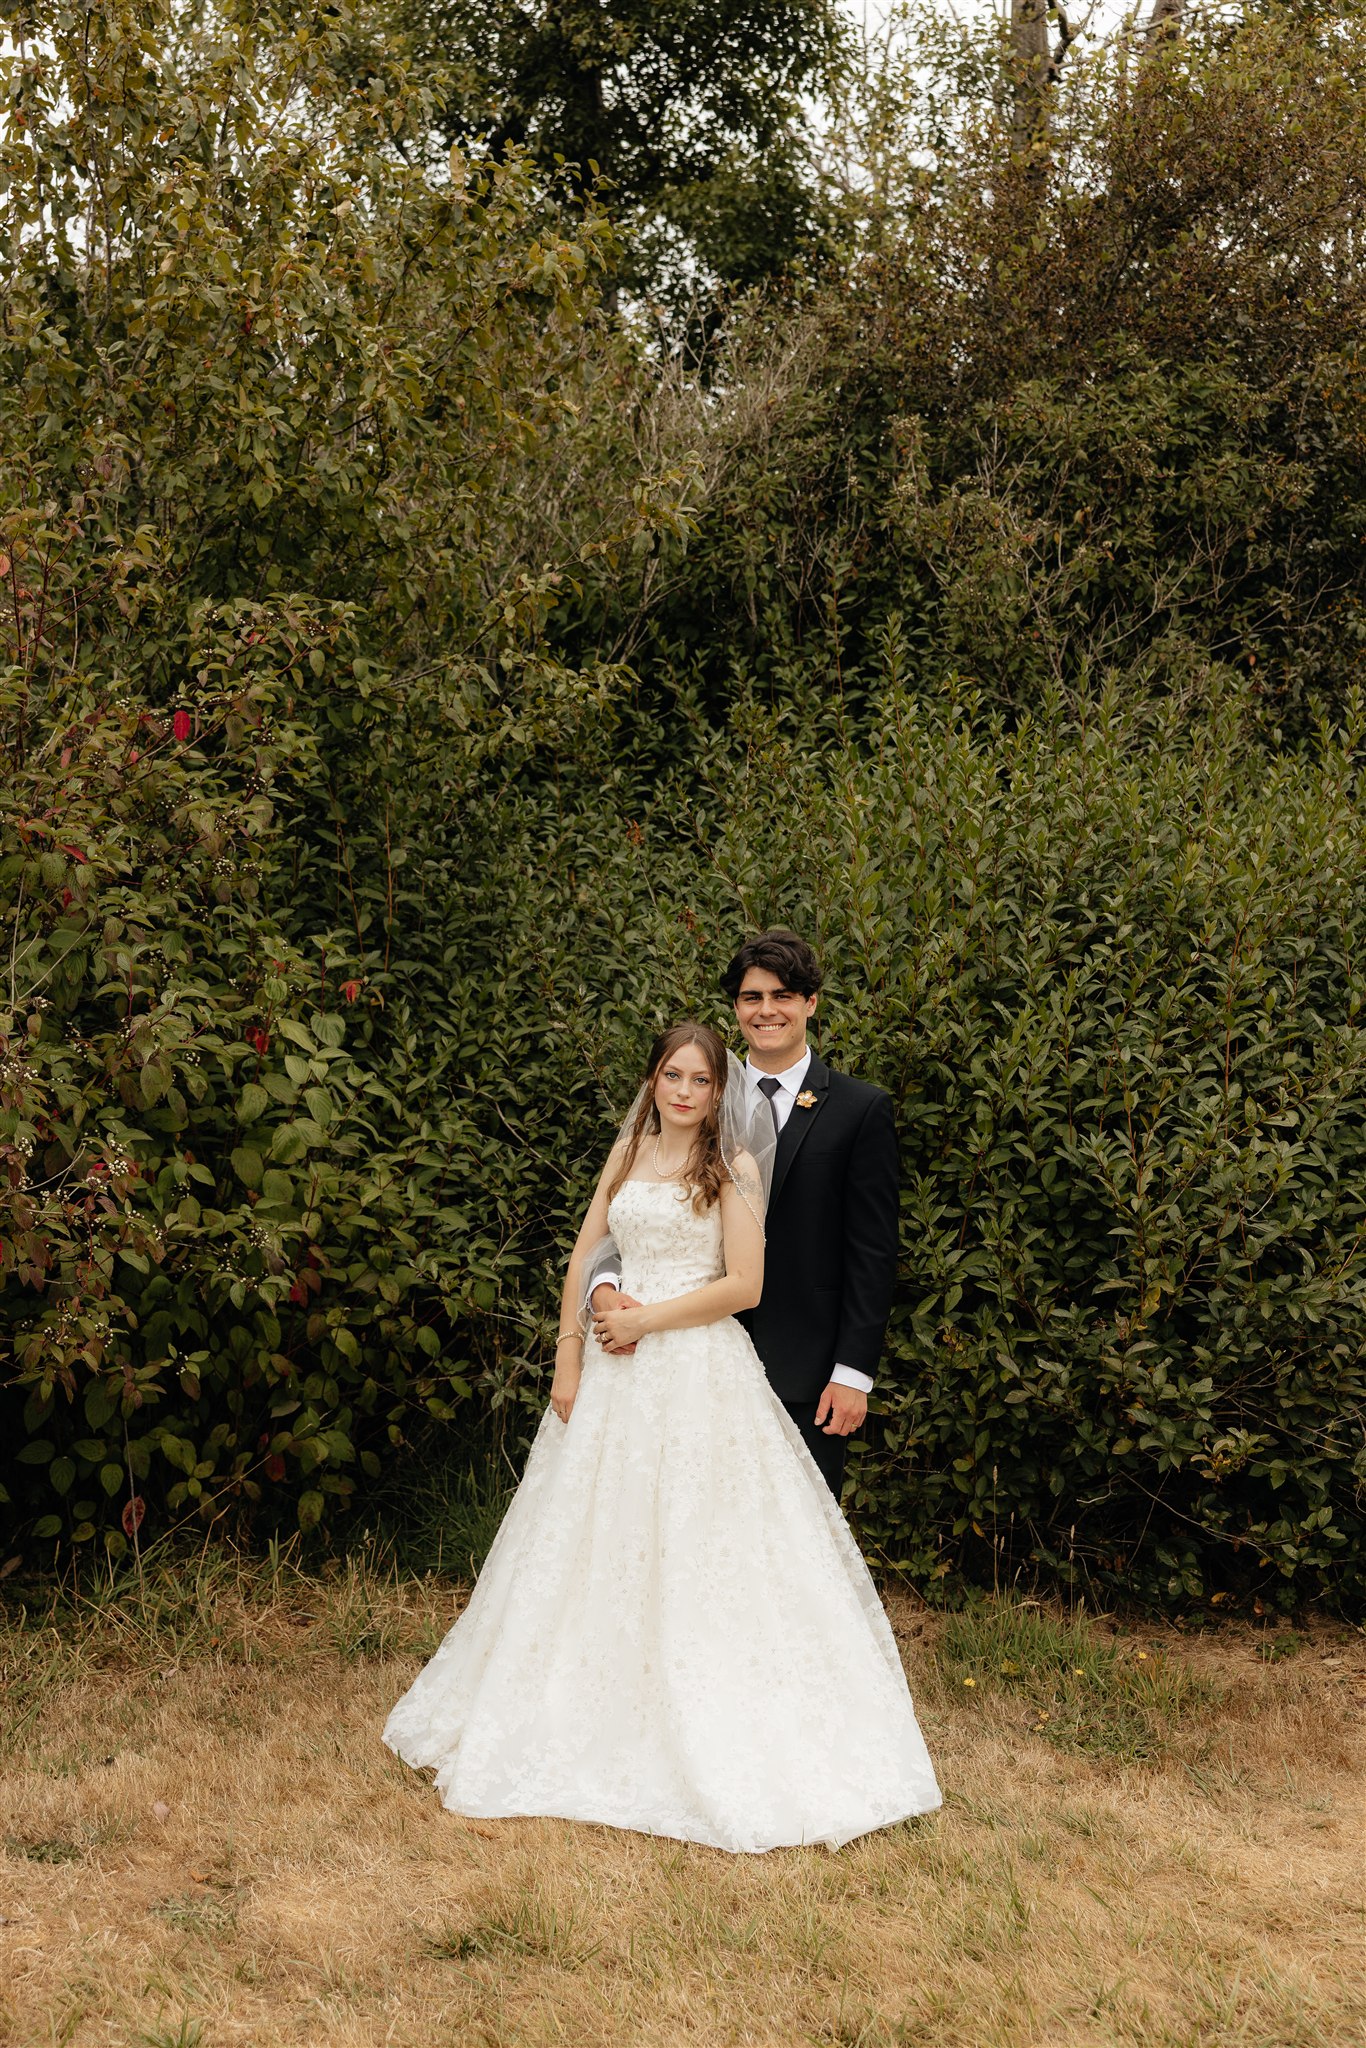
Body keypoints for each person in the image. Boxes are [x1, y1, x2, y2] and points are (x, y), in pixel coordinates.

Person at [383, 1020, 940, 1853]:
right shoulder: (628, 1153)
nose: (683, 1091)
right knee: (594, 1536)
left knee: (698, 1539)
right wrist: (570, 1351)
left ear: (721, 1094)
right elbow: (586, 1256)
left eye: (700, 1080)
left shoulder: (736, 1166)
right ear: (652, 1079)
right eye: (671, 1075)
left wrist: (648, 1318)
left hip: (698, 1367)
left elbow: (745, 1286)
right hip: (613, 1373)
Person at [590, 930, 897, 1496]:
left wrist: (852, 1373)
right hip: (683, 1361)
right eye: (752, 997)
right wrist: (603, 1286)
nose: (766, 1010)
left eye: (783, 996)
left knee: (791, 1531)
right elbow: (637, 1216)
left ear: (811, 1003)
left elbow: (872, 1254)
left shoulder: (860, 1109)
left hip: (806, 1368)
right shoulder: (696, 1096)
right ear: (736, 1008)